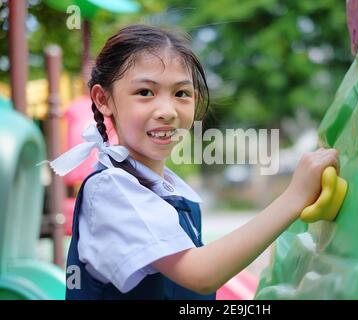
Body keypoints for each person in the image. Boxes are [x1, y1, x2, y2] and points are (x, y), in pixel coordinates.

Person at [45, 24, 339, 300]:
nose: (167, 110)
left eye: (181, 93)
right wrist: (295, 196)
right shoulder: (111, 189)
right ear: (103, 99)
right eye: (145, 92)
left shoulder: (170, 190)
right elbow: (201, 274)